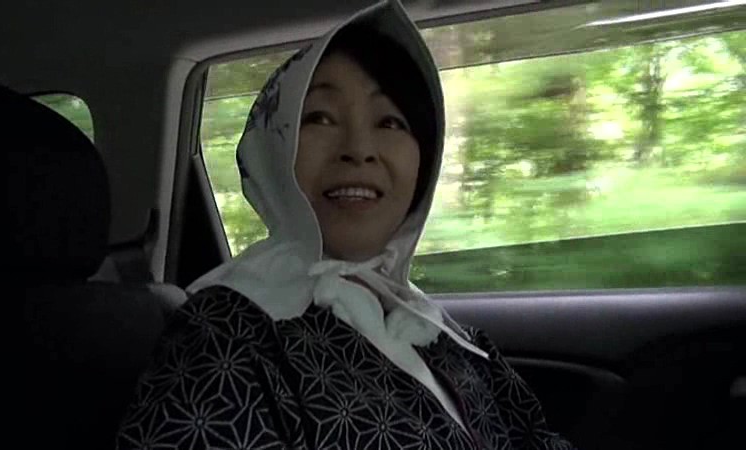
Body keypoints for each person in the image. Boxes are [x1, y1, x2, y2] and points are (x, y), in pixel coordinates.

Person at [116, 1, 576, 448]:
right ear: (274, 147)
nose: (359, 149)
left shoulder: (438, 331)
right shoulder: (223, 338)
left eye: (390, 122)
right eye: (320, 117)